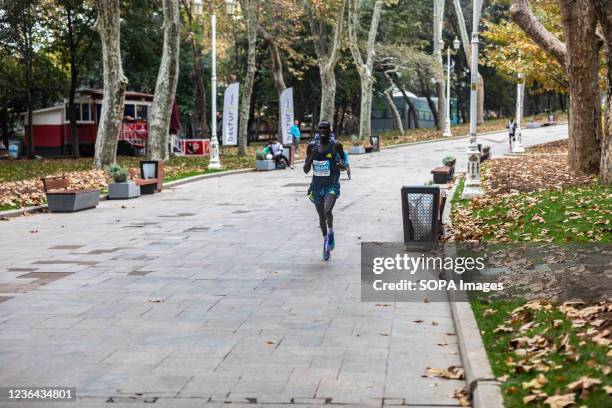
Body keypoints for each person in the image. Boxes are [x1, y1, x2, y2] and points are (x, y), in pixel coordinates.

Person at [304, 120, 347, 261]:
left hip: (331, 184)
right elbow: (305, 170)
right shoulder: (311, 146)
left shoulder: (336, 145)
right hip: (316, 187)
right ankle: (325, 242)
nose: (322, 131)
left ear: (330, 130)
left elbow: (343, 165)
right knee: (321, 217)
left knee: (327, 211)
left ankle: (331, 234)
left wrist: (341, 165)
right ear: (317, 130)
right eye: (320, 129)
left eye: (325, 129)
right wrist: (311, 157)